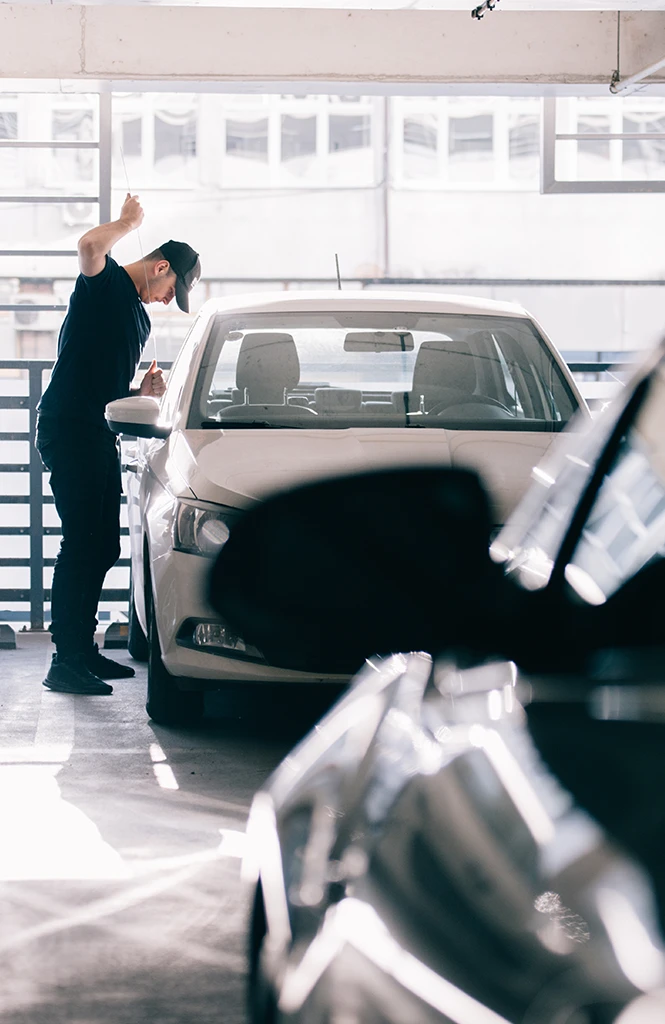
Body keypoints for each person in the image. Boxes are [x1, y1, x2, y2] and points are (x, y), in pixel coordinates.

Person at [36, 194, 201, 695]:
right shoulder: (104, 286)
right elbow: (89, 244)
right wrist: (128, 222)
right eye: (171, 289)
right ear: (161, 267)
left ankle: (82, 652)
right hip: (69, 428)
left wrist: (140, 393)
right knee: (82, 541)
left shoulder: (137, 316)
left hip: (95, 429)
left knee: (102, 543)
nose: (166, 300)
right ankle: (65, 661)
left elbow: (102, 384)